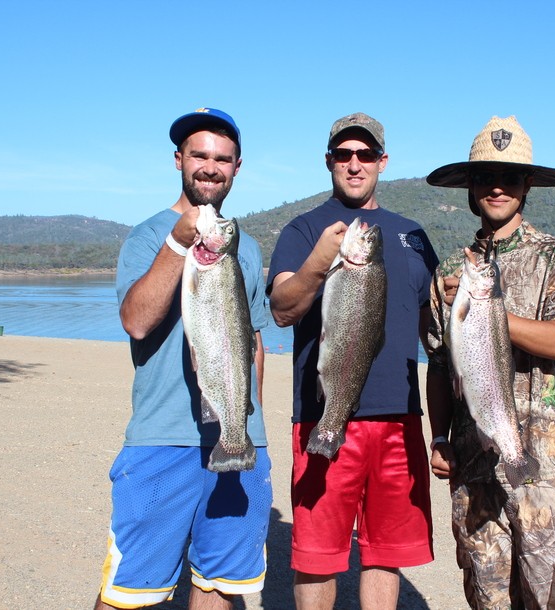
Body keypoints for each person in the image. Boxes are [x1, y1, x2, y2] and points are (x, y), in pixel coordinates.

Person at [94, 108, 272, 610]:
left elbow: (254, 342)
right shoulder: (149, 236)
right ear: (178, 160)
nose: (210, 167)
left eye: (222, 159)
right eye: (200, 155)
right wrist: (179, 242)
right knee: (131, 590)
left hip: (239, 441)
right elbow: (137, 322)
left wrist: (251, 425)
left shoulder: (249, 248)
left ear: (237, 168)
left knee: (219, 584)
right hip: (162, 439)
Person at [266, 112, 438, 609]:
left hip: (400, 418)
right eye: (344, 154)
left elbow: (436, 328)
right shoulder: (302, 231)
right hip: (325, 413)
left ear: (383, 162)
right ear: (329, 162)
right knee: (317, 555)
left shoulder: (413, 235)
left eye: (365, 154)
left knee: (385, 553)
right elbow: (283, 308)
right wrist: (322, 259)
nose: (355, 163)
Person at [425, 116, 555, 610]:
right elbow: (438, 364)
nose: (497, 187)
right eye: (484, 177)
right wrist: (438, 436)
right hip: (473, 475)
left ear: (528, 186)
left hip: (546, 475)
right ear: (470, 188)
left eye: (511, 177)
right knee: (487, 600)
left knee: (552, 601)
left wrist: (487, 311)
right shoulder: (451, 272)